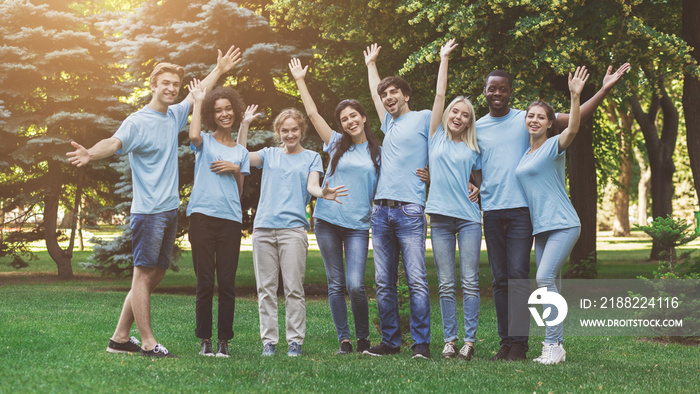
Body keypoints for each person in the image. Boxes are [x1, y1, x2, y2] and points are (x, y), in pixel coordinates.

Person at [67, 45, 242, 358]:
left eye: (176, 84)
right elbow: (114, 142)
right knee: (143, 275)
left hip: (168, 209)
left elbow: (198, 92)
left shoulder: (174, 115)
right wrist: (90, 153)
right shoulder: (137, 121)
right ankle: (147, 343)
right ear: (153, 85)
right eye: (166, 83)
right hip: (148, 212)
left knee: (154, 275)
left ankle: (120, 338)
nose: (172, 88)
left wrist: (220, 69)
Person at [474, 62, 630, 361]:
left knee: (533, 278)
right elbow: (473, 162)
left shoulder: (537, 130)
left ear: (510, 92)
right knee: (508, 281)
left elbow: (575, 122)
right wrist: (474, 186)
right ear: (484, 91)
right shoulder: (484, 129)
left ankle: (528, 344)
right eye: (491, 88)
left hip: (535, 218)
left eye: (502, 89)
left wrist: (598, 90)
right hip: (517, 219)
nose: (497, 93)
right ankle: (518, 342)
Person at [288, 58, 381, 355]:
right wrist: (301, 80)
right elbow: (312, 113)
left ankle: (364, 338)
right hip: (327, 220)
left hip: (358, 224)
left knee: (355, 284)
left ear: (364, 117)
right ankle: (344, 339)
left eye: (354, 116)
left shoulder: (378, 152)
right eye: (344, 119)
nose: (350, 121)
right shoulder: (335, 143)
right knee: (335, 283)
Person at [237, 107, 346, 357]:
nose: (289, 134)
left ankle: (295, 341)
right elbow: (240, 155)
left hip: (293, 230)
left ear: (301, 130)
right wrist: (244, 124)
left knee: (294, 289)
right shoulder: (269, 154)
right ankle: (269, 342)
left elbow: (312, 185)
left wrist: (321, 194)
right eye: (284, 130)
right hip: (264, 228)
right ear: (278, 132)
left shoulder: (312, 157)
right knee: (265, 289)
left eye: (294, 129)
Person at [362, 43, 432, 359]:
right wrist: (370, 64)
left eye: (394, 92)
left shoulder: (423, 118)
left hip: (410, 210)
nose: (389, 97)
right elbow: (376, 94)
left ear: (406, 95)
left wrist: (439, 176)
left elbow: (449, 147)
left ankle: (420, 344)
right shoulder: (388, 124)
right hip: (380, 211)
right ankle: (390, 342)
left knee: (417, 280)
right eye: (385, 94)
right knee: (383, 282)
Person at [515, 66, 588, 365]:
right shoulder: (525, 154)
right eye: (530, 115)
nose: (534, 120)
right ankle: (556, 344)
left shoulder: (552, 147)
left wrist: (575, 96)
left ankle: (551, 345)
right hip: (542, 228)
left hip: (564, 224)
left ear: (549, 124)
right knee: (550, 285)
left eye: (541, 117)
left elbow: (572, 129)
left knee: (543, 278)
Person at [186, 80, 257, 357]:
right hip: (202, 217)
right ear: (211, 115)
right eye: (218, 110)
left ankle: (223, 342)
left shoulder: (240, 152)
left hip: (230, 221)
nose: (224, 114)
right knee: (205, 282)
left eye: (228, 109)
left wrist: (235, 166)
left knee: (227, 283)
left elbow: (239, 190)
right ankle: (204, 339)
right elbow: (193, 137)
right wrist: (198, 100)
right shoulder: (204, 140)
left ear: (234, 111)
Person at [423, 39, 482, 361]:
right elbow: (439, 95)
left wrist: (479, 190)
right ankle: (450, 340)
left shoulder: (473, 148)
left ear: (470, 122)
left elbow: (487, 182)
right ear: (448, 115)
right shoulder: (435, 136)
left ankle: (469, 342)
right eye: (455, 112)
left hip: (470, 219)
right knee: (446, 284)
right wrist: (443, 58)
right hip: (441, 219)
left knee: (470, 282)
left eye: (465, 115)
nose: (459, 116)